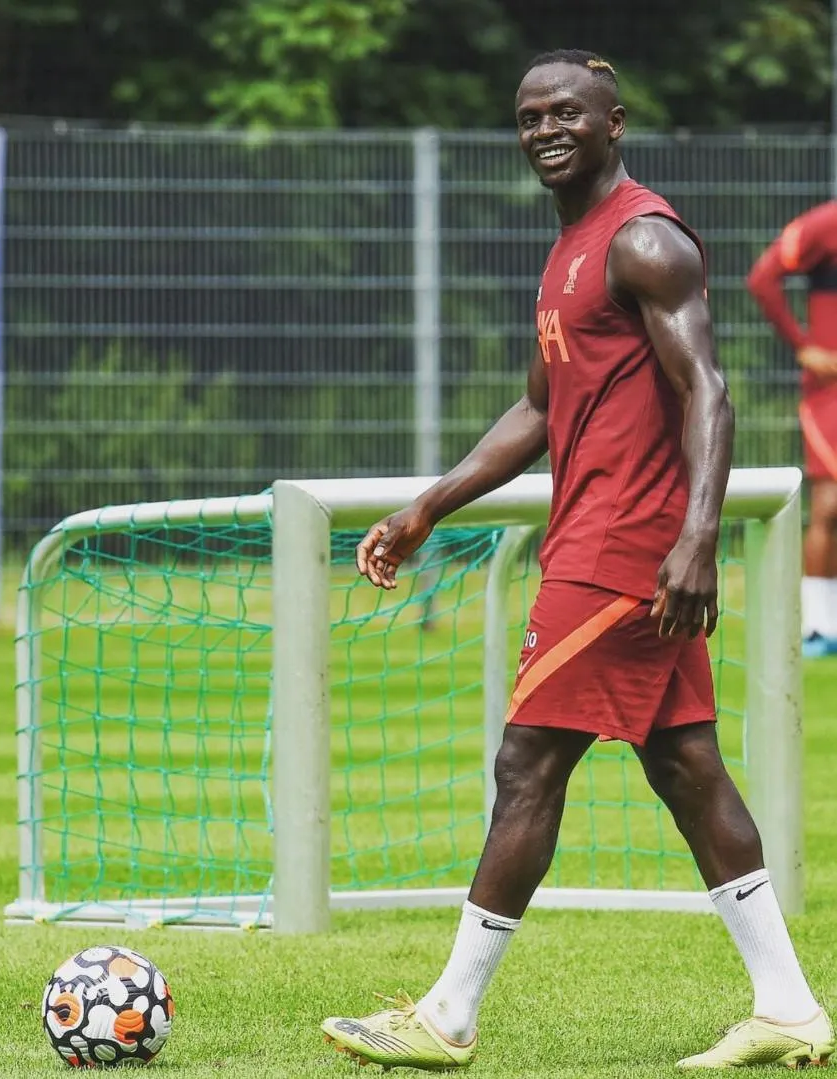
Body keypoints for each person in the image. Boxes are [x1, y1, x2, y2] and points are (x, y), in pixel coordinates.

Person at [321, 50, 833, 1071]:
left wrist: (695, 537)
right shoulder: (567, 250)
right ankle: (788, 1007)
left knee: (526, 763)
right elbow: (539, 408)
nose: (544, 129)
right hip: (606, 541)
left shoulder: (643, 238)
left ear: (613, 122)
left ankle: (446, 1015)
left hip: (622, 552)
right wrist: (428, 503)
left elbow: (710, 395)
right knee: (686, 766)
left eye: (565, 113)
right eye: (527, 117)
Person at [748, 203, 837, 657]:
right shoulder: (825, 225)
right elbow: (763, 278)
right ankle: (820, 628)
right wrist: (804, 348)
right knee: (829, 505)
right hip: (831, 395)